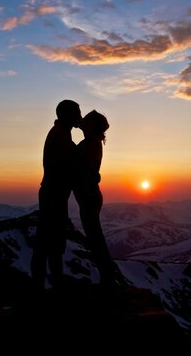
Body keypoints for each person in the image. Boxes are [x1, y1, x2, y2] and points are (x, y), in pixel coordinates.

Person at [31, 99, 81, 289]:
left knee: (50, 242)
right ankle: (46, 287)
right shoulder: (59, 136)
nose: (80, 116)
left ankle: (47, 285)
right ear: (67, 115)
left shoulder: (62, 134)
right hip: (53, 196)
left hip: (54, 195)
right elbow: (68, 166)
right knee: (48, 242)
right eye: (77, 112)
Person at [74, 110, 117, 288]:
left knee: (95, 239)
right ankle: (107, 278)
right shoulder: (92, 142)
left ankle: (108, 280)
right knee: (95, 237)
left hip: (89, 196)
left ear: (93, 125)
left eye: (86, 119)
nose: (82, 120)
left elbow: (78, 166)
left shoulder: (90, 143)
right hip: (90, 195)